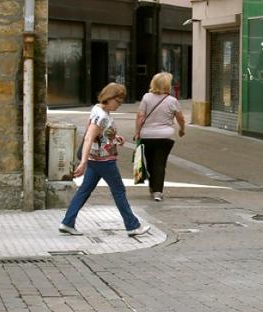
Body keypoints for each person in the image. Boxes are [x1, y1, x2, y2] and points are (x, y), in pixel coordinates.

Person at [59, 83, 151, 237]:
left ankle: (67, 222)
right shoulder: (102, 116)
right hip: (104, 161)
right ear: (110, 98)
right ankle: (132, 225)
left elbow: (99, 135)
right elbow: (89, 137)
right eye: (118, 101)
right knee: (119, 191)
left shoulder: (98, 109)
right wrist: (83, 162)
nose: (119, 105)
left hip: (96, 159)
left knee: (84, 191)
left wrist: (114, 137)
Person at [134, 72, 186, 201]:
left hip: (147, 136)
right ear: (168, 85)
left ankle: (153, 187)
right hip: (165, 137)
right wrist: (182, 129)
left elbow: (140, 116)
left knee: (150, 162)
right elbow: (180, 118)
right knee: (160, 163)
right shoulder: (172, 101)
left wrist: (137, 131)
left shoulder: (146, 97)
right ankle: (157, 191)